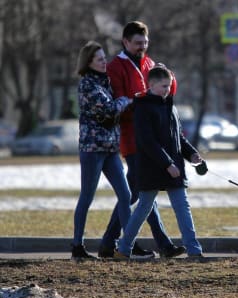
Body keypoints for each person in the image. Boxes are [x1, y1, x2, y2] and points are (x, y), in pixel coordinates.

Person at [98, 21, 184, 258]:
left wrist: (169, 77)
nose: (142, 47)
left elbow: (166, 92)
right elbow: (119, 102)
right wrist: (142, 104)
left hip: (152, 141)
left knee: (140, 192)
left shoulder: (149, 63)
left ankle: (110, 243)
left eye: (145, 43)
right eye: (137, 43)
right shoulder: (116, 67)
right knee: (140, 192)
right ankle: (157, 244)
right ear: (125, 42)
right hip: (133, 139)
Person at [114, 66, 203, 259]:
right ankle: (123, 248)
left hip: (173, 168)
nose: (167, 90)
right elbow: (147, 141)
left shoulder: (171, 106)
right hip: (151, 168)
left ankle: (194, 250)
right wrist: (167, 164)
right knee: (143, 208)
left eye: (169, 86)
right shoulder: (142, 107)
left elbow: (178, 138)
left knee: (182, 206)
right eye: (164, 86)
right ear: (151, 84)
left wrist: (192, 154)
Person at [71, 40, 132, 260]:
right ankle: (77, 246)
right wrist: (125, 100)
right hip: (92, 149)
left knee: (125, 195)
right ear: (89, 62)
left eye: (105, 57)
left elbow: (113, 109)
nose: (104, 61)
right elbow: (108, 109)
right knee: (87, 197)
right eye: (99, 58)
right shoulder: (87, 84)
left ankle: (126, 246)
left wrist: (121, 101)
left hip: (110, 148)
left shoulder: (105, 82)